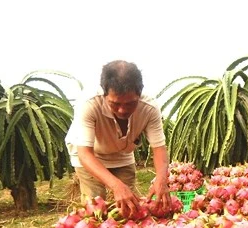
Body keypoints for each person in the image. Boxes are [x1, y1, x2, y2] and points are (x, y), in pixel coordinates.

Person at [66, 60, 171, 218]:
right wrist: (116, 185)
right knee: (95, 209)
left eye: (130, 104)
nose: (122, 110)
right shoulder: (88, 104)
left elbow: (159, 148)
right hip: (90, 155)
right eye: (114, 104)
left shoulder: (149, 108)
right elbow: (85, 154)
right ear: (104, 93)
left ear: (139, 92)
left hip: (122, 154)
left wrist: (162, 179)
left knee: (131, 208)